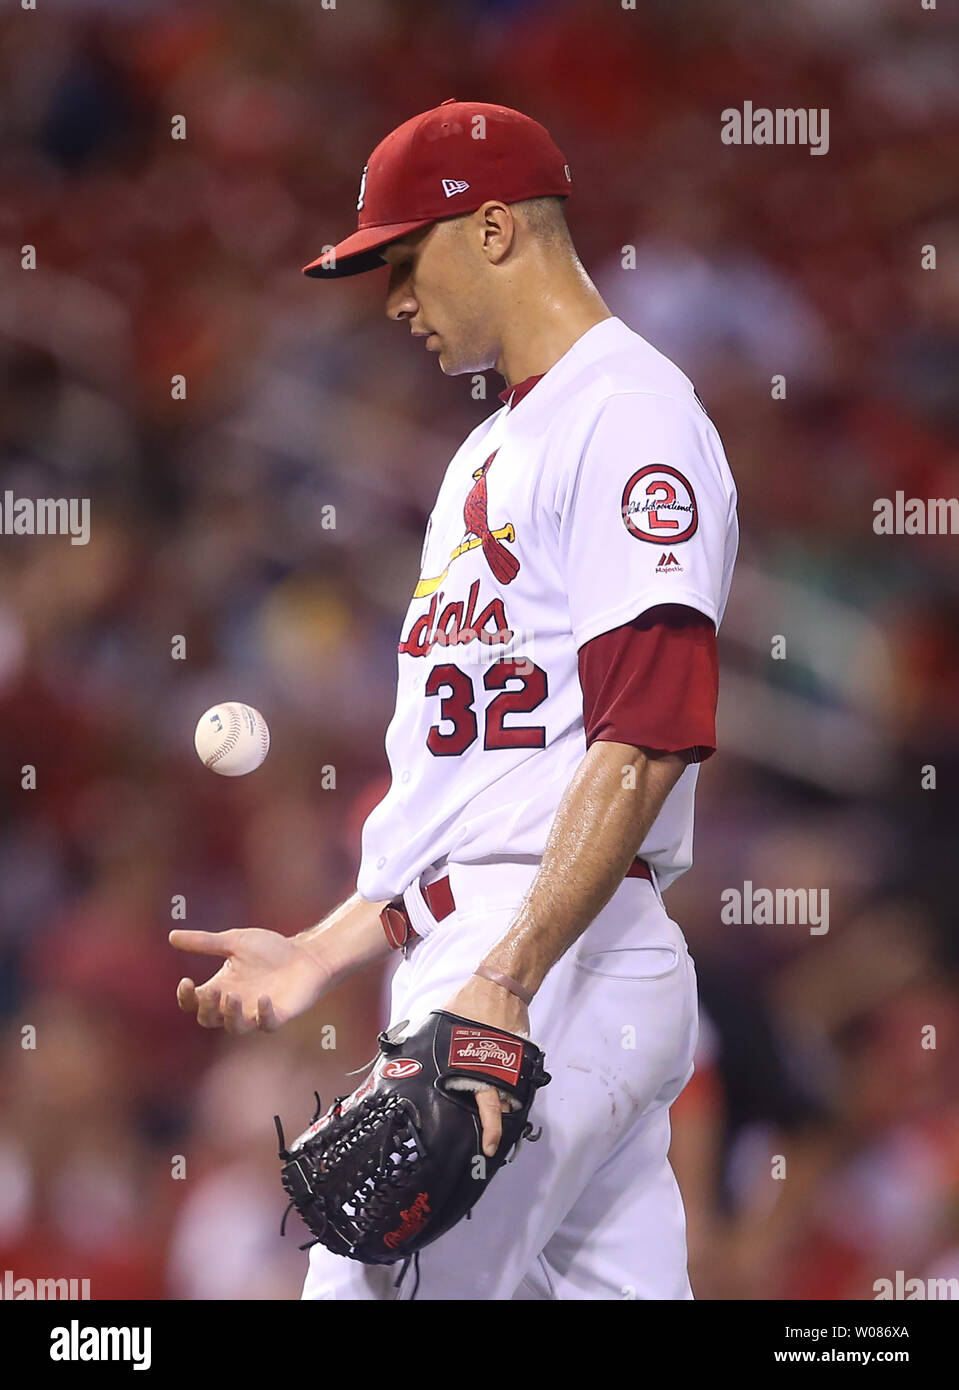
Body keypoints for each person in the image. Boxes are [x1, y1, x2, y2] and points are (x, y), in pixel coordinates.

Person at [171, 99, 739, 1301]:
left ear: (492, 231)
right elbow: (477, 789)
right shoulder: (486, 452)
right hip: (514, 953)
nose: (388, 300)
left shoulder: (626, 414)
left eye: (400, 258)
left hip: (542, 957)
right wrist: (327, 945)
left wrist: (507, 981)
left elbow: (646, 734)